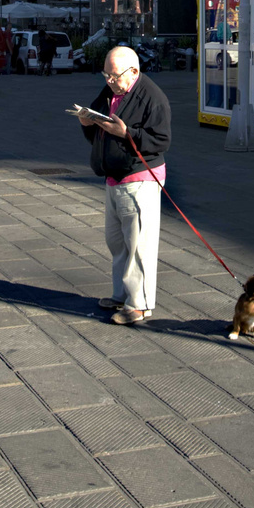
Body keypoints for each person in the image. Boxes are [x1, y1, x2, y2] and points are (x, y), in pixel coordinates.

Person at [79, 45, 171, 325]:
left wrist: (126, 133)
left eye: (114, 76)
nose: (109, 81)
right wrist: (86, 121)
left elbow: (161, 140)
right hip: (112, 176)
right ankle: (121, 294)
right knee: (116, 241)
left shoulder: (153, 98)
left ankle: (140, 304)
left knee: (138, 245)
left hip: (139, 177)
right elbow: (97, 127)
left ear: (134, 72)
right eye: (105, 75)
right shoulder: (111, 90)